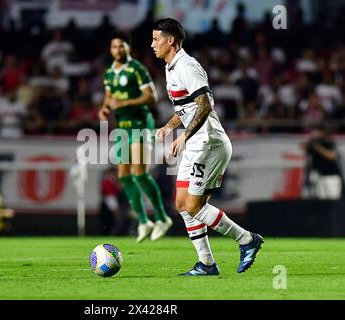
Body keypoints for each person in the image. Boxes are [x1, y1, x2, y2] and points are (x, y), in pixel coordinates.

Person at [151, 18, 263, 275]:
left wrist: (184, 136)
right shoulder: (171, 68)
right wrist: (169, 127)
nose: (152, 44)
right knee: (181, 204)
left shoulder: (187, 67)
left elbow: (205, 105)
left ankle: (247, 240)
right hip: (196, 144)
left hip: (208, 144)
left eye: (156, 38)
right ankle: (207, 264)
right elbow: (186, 107)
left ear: (171, 41)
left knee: (193, 206)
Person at [98, 31, 172, 242]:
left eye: (121, 46)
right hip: (123, 127)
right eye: (114, 47)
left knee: (139, 174)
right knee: (123, 176)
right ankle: (143, 221)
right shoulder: (109, 73)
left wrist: (126, 103)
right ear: (110, 50)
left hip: (141, 125)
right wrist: (104, 109)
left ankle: (161, 217)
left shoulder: (137, 69)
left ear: (128, 48)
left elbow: (152, 97)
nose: (118, 50)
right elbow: (109, 98)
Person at [301, 124, 345, 199]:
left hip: (332, 176)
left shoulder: (330, 143)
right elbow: (302, 147)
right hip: (320, 176)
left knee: (333, 199)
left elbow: (332, 156)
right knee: (321, 201)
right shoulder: (315, 142)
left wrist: (318, 148)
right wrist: (311, 139)